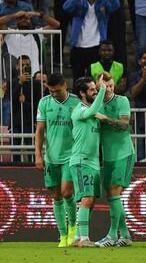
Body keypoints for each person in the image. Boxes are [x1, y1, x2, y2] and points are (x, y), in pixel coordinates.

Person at [35, 73, 80, 247]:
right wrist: (38, 155)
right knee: (56, 196)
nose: (54, 94)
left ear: (65, 86)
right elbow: (39, 131)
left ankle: (73, 228)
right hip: (51, 157)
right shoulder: (44, 103)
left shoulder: (76, 102)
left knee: (67, 193)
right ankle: (62, 235)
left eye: (57, 91)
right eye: (51, 91)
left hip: (70, 156)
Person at [93, 72, 135, 247]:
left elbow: (125, 125)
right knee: (111, 196)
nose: (109, 90)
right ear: (97, 87)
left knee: (115, 193)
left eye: (111, 86)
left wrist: (106, 119)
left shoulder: (122, 101)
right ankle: (125, 235)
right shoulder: (96, 103)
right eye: (104, 86)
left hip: (123, 153)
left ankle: (111, 235)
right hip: (108, 157)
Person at [69, 75, 106, 247]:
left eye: (96, 88)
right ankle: (84, 238)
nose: (96, 91)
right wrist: (104, 89)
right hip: (81, 160)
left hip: (93, 162)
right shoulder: (79, 110)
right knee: (86, 199)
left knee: (90, 203)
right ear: (82, 93)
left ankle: (78, 236)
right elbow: (91, 112)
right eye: (92, 89)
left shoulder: (91, 111)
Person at [63, 0, 120, 81]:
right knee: (77, 79)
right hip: (78, 45)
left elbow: (116, 5)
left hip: (96, 46)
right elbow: (66, 7)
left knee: (96, 79)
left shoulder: (103, 2)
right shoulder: (79, 2)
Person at [0, 10, 60, 76]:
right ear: (16, 21)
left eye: (26, 18)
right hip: (14, 77)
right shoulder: (10, 33)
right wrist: (15, 15)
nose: (24, 20)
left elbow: (56, 24)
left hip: (34, 76)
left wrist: (38, 14)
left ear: (31, 21)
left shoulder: (37, 34)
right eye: (20, 18)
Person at [11, 55, 42, 162]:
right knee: (15, 150)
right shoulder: (13, 82)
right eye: (22, 65)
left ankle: (32, 170)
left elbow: (38, 105)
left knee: (32, 150)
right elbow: (11, 99)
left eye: (27, 65)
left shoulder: (36, 84)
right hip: (15, 121)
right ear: (16, 67)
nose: (24, 67)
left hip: (30, 121)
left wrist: (25, 103)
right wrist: (20, 83)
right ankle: (14, 172)